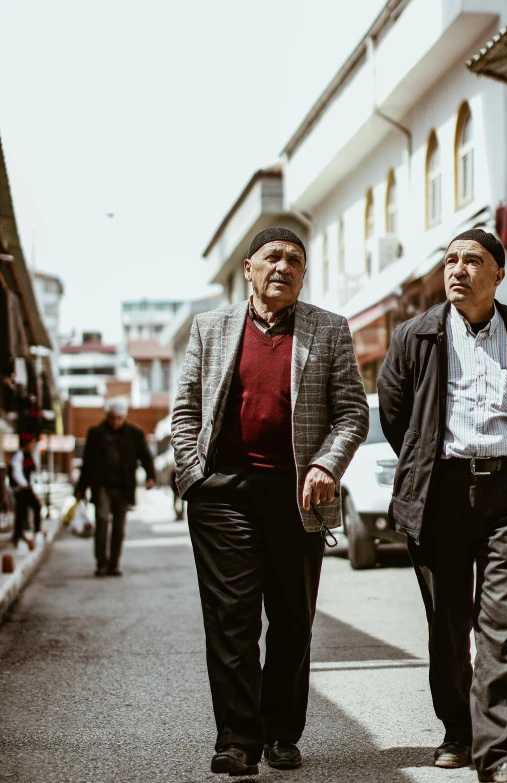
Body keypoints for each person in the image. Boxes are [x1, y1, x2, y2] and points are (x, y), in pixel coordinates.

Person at [172, 226, 369, 776]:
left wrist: (327, 463)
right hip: (223, 496)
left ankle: (282, 732)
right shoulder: (210, 327)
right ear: (249, 269)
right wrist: (194, 477)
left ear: (304, 275)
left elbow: (353, 412)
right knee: (231, 620)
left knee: (291, 620)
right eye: (272, 258)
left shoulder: (328, 329)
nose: (282, 267)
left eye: (295, 260)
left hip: (297, 496)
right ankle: (237, 740)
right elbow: (187, 409)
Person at [378, 229, 507, 783]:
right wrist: (423, 466)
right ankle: (458, 732)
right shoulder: (416, 335)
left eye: (473, 260)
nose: (458, 269)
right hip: (440, 495)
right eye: (451, 260)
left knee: (504, 624)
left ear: (498, 275)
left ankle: (500, 754)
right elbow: (395, 414)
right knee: (448, 621)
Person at [76, 398, 156, 577]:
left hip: (124, 488)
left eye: (119, 418)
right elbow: (87, 463)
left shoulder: (134, 434)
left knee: (119, 528)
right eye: (112, 418)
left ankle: (114, 564)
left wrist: (151, 477)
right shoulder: (96, 433)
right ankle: (101, 564)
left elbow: (146, 457)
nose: (115, 422)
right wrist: (81, 488)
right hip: (102, 487)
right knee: (102, 522)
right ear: (108, 416)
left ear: (124, 418)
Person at [9, 433, 41, 547]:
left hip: (27, 487)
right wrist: (25, 484)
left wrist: (31, 483)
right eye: (32, 443)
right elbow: (16, 472)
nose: (33, 445)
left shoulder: (30, 455)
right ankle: (19, 536)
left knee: (27, 510)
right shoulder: (19, 455)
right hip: (21, 489)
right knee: (23, 511)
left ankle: (23, 534)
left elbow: (32, 472)